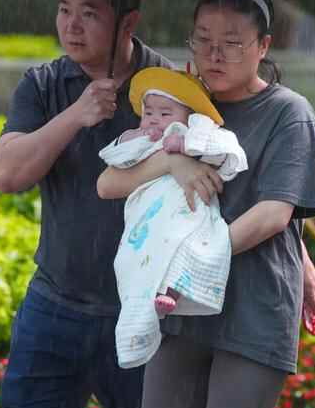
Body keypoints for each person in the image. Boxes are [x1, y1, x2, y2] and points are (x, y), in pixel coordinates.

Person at [97, 0, 315, 408]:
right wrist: (171, 162)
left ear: (264, 47)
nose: (213, 54)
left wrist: (201, 256)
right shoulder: (177, 104)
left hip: (253, 308)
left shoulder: (288, 113)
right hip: (181, 311)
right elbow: (112, 180)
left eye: (231, 42)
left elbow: (275, 212)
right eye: (202, 39)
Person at [0, 0, 180, 408]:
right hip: (55, 308)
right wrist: (75, 114)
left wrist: (297, 254)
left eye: (89, 13)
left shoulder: (171, 88)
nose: (71, 25)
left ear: (129, 22)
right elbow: (9, 174)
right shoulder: (45, 85)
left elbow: (233, 172)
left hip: (145, 316)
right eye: (64, 10)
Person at [98, 67, 248, 371]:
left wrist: (185, 146)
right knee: (131, 259)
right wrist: (134, 138)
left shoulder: (195, 132)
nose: (154, 119)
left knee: (185, 245)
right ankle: (138, 314)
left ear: (190, 116)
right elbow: (114, 163)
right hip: (148, 213)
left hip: (186, 207)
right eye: (148, 112)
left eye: (165, 113)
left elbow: (227, 151)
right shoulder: (144, 140)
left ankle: (170, 291)